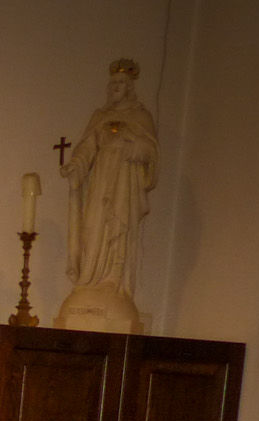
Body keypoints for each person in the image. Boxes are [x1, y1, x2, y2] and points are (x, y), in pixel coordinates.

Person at [58, 57, 158, 325]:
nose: (115, 88)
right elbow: (86, 148)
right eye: (112, 83)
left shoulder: (140, 117)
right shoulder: (100, 117)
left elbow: (150, 153)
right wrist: (76, 167)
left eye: (121, 84)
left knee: (118, 232)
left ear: (129, 88)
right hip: (100, 182)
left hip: (122, 187)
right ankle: (90, 279)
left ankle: (113, 284)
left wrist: (129, 138)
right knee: (92, 230)